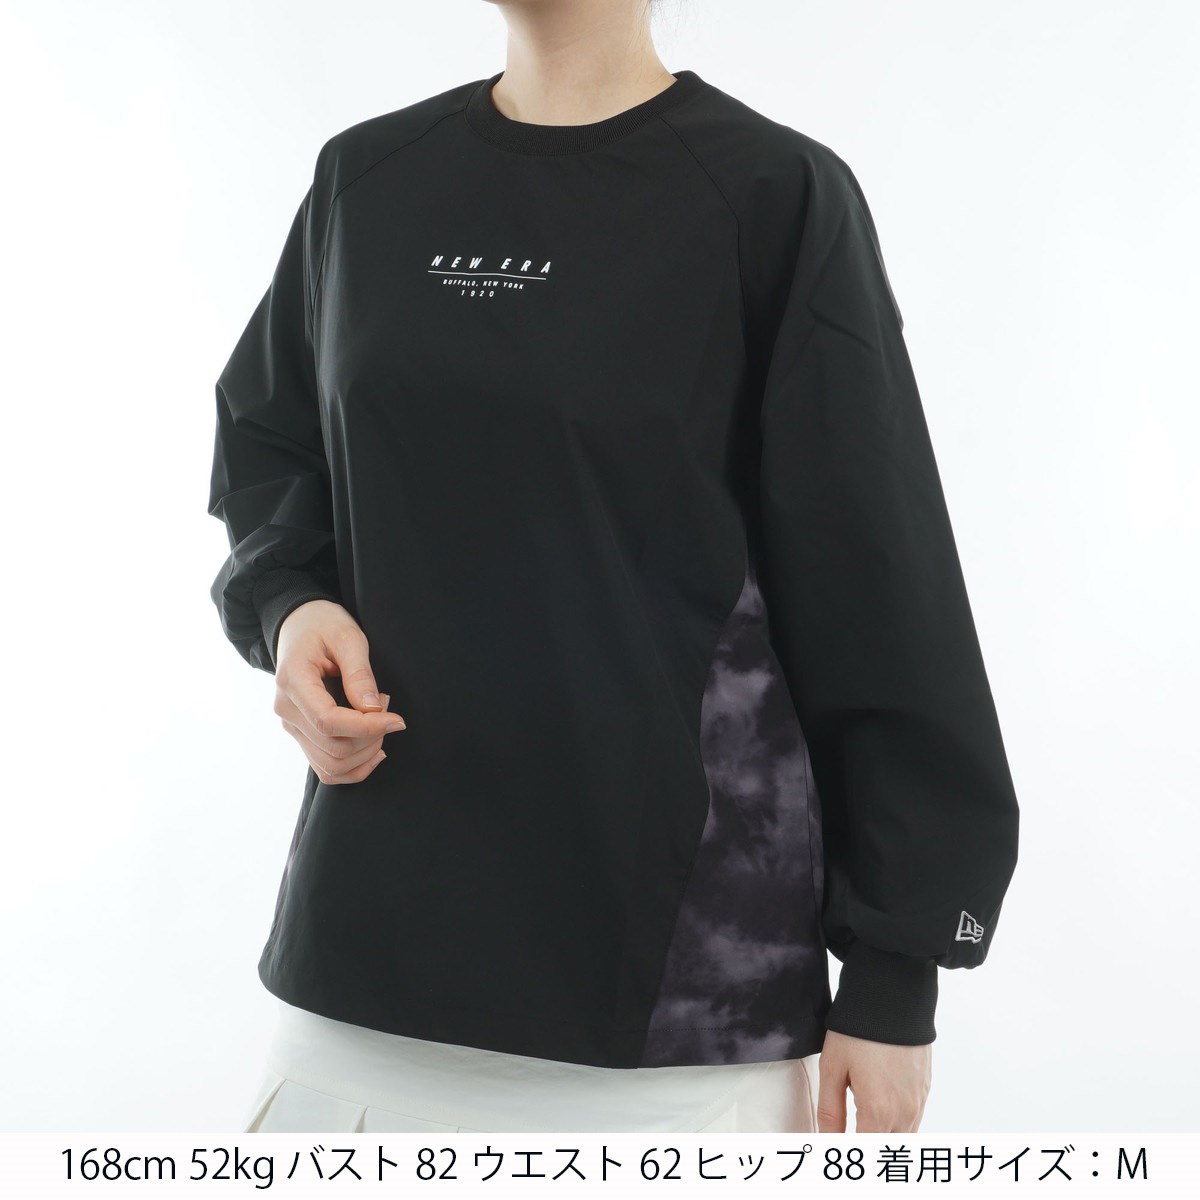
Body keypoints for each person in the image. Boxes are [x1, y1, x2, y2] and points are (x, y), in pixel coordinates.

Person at [209, 0, 1020, 1135]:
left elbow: (879, 582)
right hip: (361, 980)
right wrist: (292, 608)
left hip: (670, 1018)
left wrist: (895, 973)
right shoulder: (368, 179)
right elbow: (270, 439)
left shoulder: (772, 194)